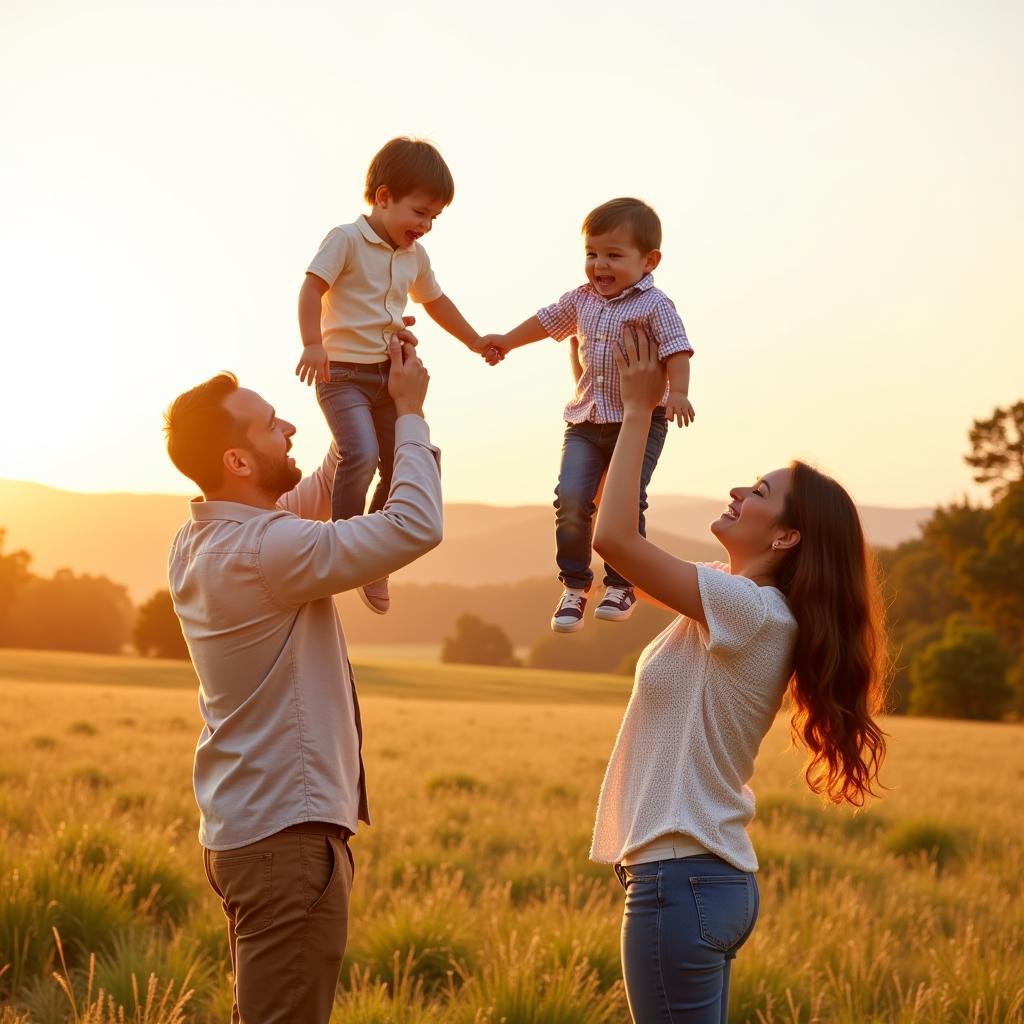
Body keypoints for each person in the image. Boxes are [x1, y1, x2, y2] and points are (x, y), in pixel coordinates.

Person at [589, 326, 889, 1023]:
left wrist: (640, 412)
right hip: (701, 879)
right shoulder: (736, 607)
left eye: (758, 490)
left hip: (682, 878)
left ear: (785, 538)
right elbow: (618, 531)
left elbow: (614, 540)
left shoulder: (748, 609)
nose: (735, 490)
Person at [164, 335, 442, 1024]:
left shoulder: (205, 537)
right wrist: (411, 414)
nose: (288, 426)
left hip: (247, 831)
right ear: (237, 460)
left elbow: (325, 484)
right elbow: (413, 525)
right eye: (269, 424)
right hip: (288, 843)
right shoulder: (268, 549)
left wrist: (368, 396)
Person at [480, 197, 694, 634]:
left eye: (614, 255)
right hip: (583, 421)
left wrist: (680, 394)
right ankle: (576, 584)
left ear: (649, 260)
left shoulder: (655, 306)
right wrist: (506, 339)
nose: (600, 264)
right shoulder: (581, 300)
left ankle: (621, 583)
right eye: (592, 253)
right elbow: (546, 322)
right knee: (571, 498)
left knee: (626, 499)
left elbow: (677, 350)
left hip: (639, 422)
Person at [294, 136, 487, 616]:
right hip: (340, 374)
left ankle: (375, 558)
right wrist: (313, 344)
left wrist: (475, 340)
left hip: (386, 374)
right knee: (358, 451)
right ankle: (341, 548)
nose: (424, 226)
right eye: (419, 212)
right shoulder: (345, 240)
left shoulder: (414, 257)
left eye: (433, 219)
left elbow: (435, 302)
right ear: (383, 197)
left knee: (400, 462)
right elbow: (310, 288)